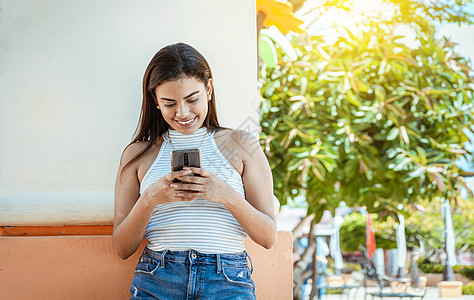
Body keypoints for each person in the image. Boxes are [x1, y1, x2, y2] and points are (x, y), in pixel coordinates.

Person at [112, 42, 277, 300]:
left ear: (208, 89)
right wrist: (151, 199)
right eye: (169, 103)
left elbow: (268, 236)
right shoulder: (137, 155)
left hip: (227, 280)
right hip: (158, 279)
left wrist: (223, 194)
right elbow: (122, 247)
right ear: (155, 100)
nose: (182, 113)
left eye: (192, 99)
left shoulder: (242, 145)